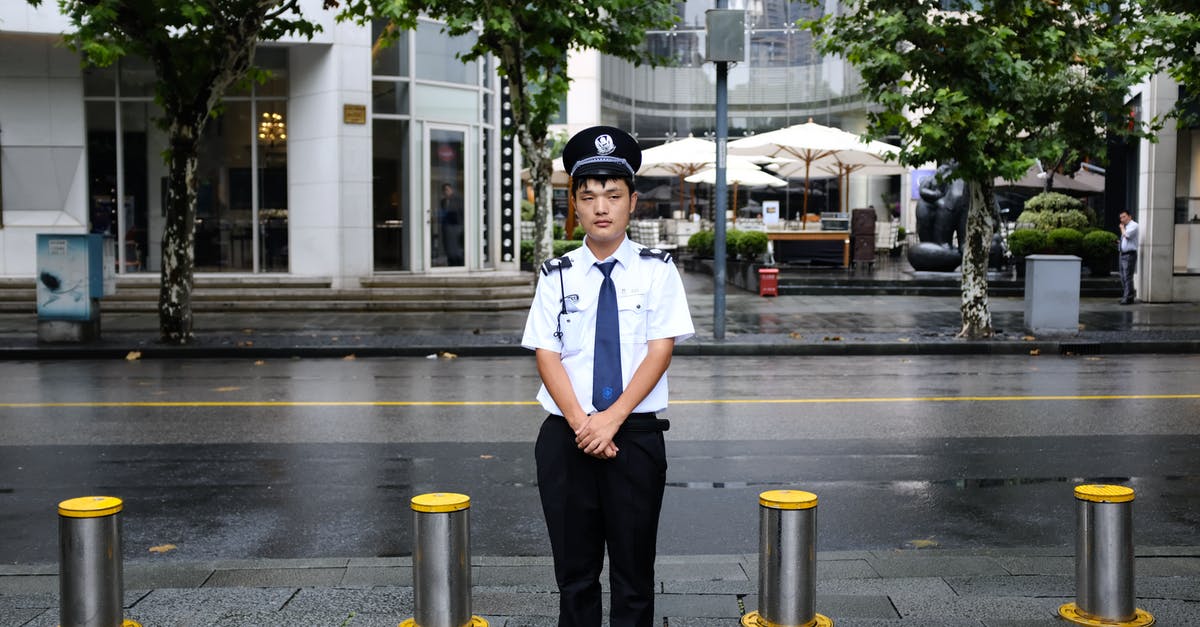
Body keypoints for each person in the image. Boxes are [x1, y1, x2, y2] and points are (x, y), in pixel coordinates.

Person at [521, 125, 694, 627]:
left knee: (634, 577)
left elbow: (660, 350)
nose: (601, 206)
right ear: (574, 204)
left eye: (613, 195)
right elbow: (546, 353)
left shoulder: (658, 271)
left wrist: (611, 420)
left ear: (632, 202)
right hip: (566, 438)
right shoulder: (556, 275)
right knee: (574, 577)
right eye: (589, 195)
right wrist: (584, 424)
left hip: (634, 437)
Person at [1118, 210, 1139, 304]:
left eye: (1124, 217)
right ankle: (1127, 297)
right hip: (1122, 254)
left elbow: (1127, 235)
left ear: (1130, 217)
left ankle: (1128, 297)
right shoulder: (1126, 227)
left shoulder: (1134, 225)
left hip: (1129, 255)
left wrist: (1122, 228)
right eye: (1121, 217)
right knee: (1123, 276)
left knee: (1127, 277)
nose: (1122, 219)